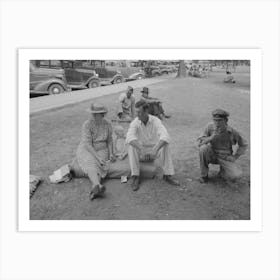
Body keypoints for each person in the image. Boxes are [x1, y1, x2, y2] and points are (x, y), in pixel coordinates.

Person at [126, 100, 180, 191]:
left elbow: (165, 135)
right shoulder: (135, 122)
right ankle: (135, 176)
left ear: (146, 111)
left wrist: (155, 149)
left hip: (154, 152)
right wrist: (142, 149)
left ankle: (167, 175)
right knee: (131, 145)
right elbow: (129, 137)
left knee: (165, 144)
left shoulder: (156, 121)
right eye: (136, 112)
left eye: (139, 112)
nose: (137, 114)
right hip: (141, 153)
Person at [75, 103, 116, 200]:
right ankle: (98, 185)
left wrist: (111, 154)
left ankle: (96, 188)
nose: (93, 115)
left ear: (102, 114)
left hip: (102, 147)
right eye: (92, 113)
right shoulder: (87, 124)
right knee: (91, 161)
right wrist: (97, 157)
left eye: (95, 113)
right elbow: (87, 144)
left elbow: (110, 140)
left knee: (101, 164)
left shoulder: (108, 124)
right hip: (87, 148)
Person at [197, 109, 248, 183]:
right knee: (203, 149)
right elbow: (200, 142)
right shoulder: (210, 127)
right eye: (215, 120)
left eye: (220, 120)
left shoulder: (232, 132)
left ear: (226, 120)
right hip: (212, 154)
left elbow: (244, 144)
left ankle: (223, 172)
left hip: (225, 157)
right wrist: (211, 137)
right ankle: (204, 176)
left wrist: (235, 156)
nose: (217, 123)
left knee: (236, 175)